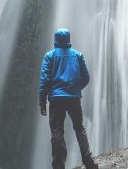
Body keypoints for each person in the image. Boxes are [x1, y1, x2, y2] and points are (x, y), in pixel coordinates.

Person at [38, 28, 98, 169]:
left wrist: (42, 101)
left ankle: (59, 166)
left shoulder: (49, 56)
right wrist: (75, 89)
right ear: (69, 39)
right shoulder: (78, 55)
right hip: (73, 98)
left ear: (56, 40)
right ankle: (88, 161)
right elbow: (86, 77)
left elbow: (45, 80)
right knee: (79, 128)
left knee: (57, 131)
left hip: (56, 99)